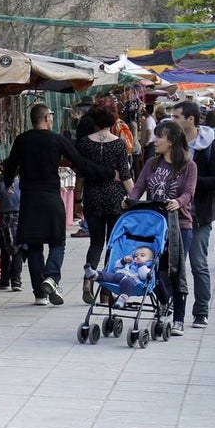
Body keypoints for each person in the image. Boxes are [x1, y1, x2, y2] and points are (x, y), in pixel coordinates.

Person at [2, 103, 111, 307]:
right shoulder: (56, 139)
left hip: (29, 199)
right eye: (51, 115)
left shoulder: (21, 140)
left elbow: (10, 166)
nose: (52, 119)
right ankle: (51, 277)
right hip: (51, 197)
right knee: (57, 242)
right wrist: (107, 173)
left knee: (33, 246)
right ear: (45, 118)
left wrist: (8, 183)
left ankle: (39, 294)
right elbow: (80, 162)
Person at [126, 120, 197, 336]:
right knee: (152, 269)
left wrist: (179, 202)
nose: (155, 141)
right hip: (154, 226)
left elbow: (189, 192)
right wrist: (128, 201)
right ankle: (165, 302)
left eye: (160, 137)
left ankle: (178, 320)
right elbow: (138, 187)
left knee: (174, 271)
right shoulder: (151, 164)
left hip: (179, 226)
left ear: (172, 141)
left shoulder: (188, 165)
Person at [171, 100, 215, 332]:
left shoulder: (209, 146)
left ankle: (201, 311)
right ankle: (174, 309)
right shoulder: (172, 145)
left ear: (190, 120)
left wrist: (191, 183)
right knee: (173, 265)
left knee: (198, 263)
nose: (173, 121)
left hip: (200, 215)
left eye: (177, 117)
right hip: (175, 216)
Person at [76, 99, 134, 303]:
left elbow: (80, 175)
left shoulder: (84, 143)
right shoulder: (118, 143)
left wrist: (77, 198)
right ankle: (107, 290)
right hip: (114, 198)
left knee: (96, 243)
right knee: (113, 244)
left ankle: (87, 279)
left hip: (93, 197)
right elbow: (125, 176)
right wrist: (135, 199)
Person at [83, 245, 155, 308]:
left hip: (133, 282)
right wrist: (123, 261)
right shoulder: (130, 263)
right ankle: (95, 275)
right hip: (119, 276)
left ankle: (122, 299)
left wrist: (141, 265)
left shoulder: (147, 268)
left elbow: (143, 276)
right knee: (108, 275)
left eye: (142, 256)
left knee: (128, 281)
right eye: (136, 256)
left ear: (150, 260)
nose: (138, 257)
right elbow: (116, 268)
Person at [0, 176, 23, 291]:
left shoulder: (1, 185)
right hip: (19, 220)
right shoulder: (23, 184)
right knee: (18, 250)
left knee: (4, 250)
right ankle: (16, 280)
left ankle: (4, 279)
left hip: (5, 221)